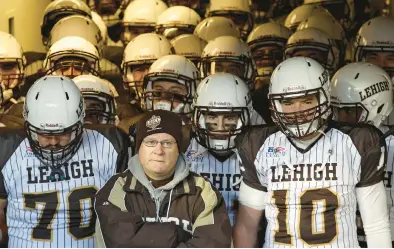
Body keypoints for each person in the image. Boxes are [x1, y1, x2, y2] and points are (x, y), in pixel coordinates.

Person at [233, 57, 391, 247]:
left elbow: (376, 225)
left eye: (307, 100)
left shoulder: (357, 142)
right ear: (274, 104)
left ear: (324, 98)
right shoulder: (258, 144)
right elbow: (246, 226)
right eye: (288, 102)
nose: (297, 111)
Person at [0, 75, 130, 247]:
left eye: (63, 132)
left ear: (80, 122)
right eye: (44, 133)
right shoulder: (7, 149)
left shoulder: (110, 144)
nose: (53, 141)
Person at [95, 109, 232, 247]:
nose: (159, 151)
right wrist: (178, 234)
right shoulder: (117, 188)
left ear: (178, 149)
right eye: (150, 142)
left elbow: (214, 244)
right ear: (139, 148)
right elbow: (120, 241)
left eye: (167, 143)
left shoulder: (202, 191)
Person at [330, 62, 394, 247]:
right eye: (336, 110)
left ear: (379, 107)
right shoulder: (329, 143)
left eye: (349, 111)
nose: (341, 119)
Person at [187, 73, 252, 225]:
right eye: (212, 116)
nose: (221, 127)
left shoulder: (256, 152)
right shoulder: (184, 147)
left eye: (230, 117)